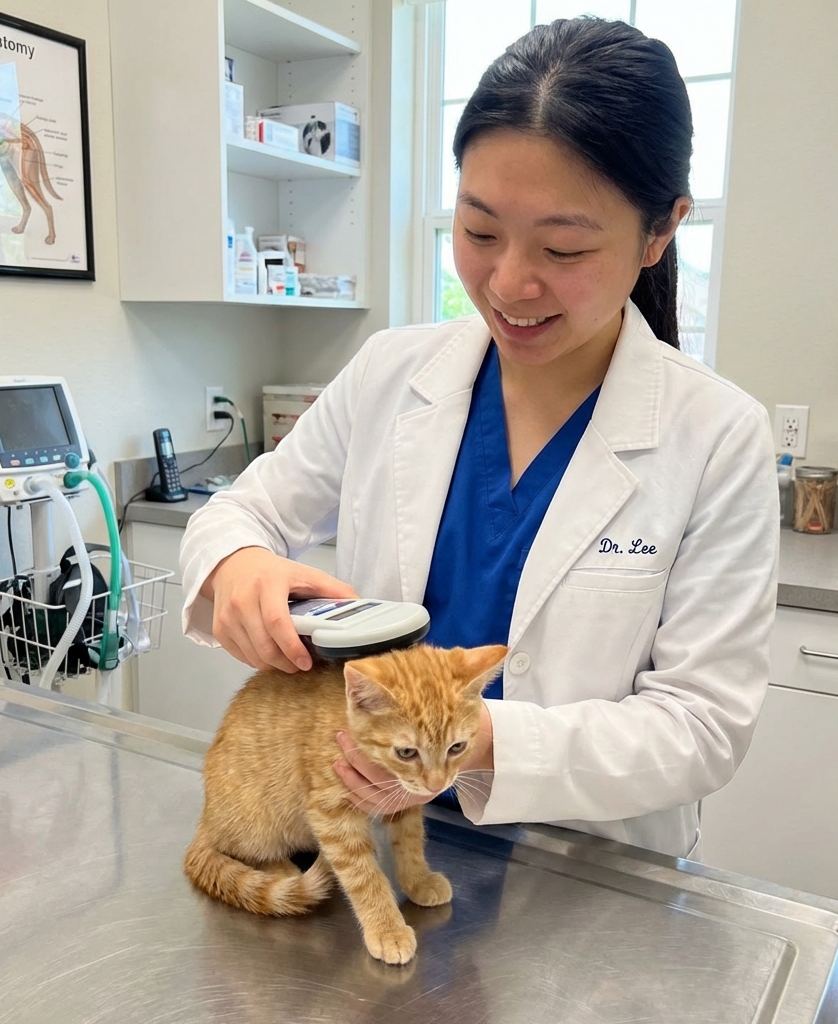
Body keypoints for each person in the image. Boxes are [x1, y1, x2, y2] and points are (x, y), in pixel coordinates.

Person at [180, 17, 778, 859]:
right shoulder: (391, 373)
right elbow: (241, 512)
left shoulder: (715, 436)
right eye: (480, 231)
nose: (507, 284)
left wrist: (485, 738)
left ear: (660, 231)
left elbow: (700, 726)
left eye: (563, 246)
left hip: (581, 877)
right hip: (375, 841)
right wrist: (235, 565)